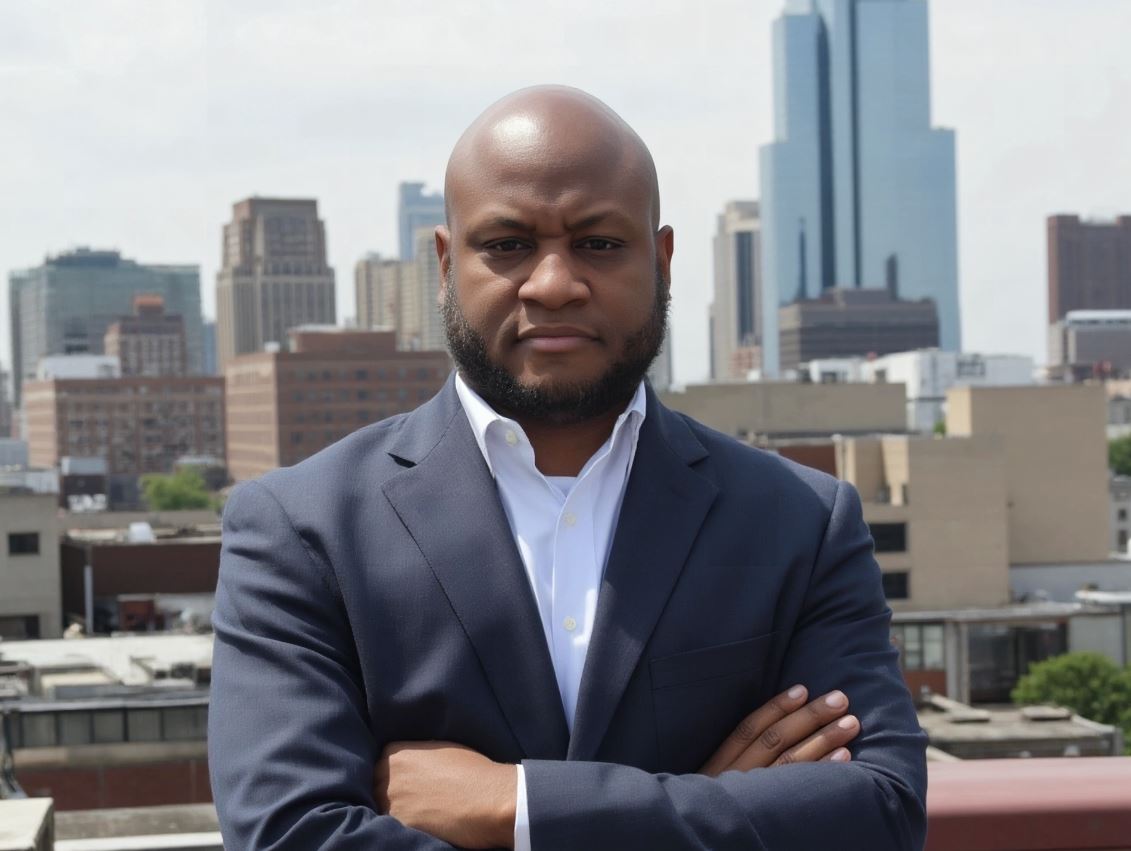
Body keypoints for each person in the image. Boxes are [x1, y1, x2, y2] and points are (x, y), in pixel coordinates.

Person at [208, 85, 927, 850]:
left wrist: (514, 804)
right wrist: (707, 807)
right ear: (447, 264)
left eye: (599, 243)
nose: (553, 283)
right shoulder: (300, 531)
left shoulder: (800, 522)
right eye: (509, 245)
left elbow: (877, 811)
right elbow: (290, 836)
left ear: (662, 260)